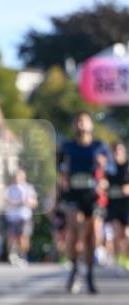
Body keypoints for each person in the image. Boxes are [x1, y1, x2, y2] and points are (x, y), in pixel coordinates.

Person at [59, 112, 113, 294]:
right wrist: (62, 179)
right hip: (74, 193)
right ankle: (74, 271)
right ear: (75, 126)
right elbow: (57, 167)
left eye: (84, 120)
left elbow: (113, 168)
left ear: (91, 124)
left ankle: (89, 274)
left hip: (93, 195)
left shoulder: (100, 146)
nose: (81, 124)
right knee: (75, 234)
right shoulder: (68, 146)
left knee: (92, 236)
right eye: (78, 121)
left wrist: (104, 166)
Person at [4, 168, 38, 266]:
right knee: (12, 237)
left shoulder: (29, 188)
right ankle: (12, 255)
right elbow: (6, 201)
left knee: (24, 237)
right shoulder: (10, 188)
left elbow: (35, 203)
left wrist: (27, 201)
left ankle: (23, 256)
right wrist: (15, 202)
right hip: (12, 217)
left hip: (24, 216)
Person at [106, 141, 129, 270]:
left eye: (120, 151)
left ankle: (125, 258)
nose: (117, 154)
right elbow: (102, 182)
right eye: (115, 151)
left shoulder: (127, 166)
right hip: (113, 205)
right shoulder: (109, 168)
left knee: (126, 235)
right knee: (116, 234)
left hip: (126, 206)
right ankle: (117, 259)